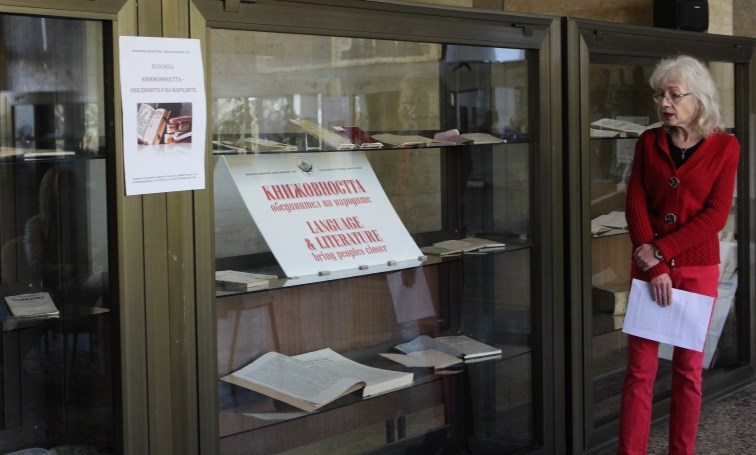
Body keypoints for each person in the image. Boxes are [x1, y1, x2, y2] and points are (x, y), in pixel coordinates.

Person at [617, 55, 740, 455]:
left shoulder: (726, 147)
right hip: (648, 267)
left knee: (688, 372)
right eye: (660, 95)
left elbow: (715, 215)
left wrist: (662, 250)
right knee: (639, 372)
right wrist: (654, 264)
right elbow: (635, 202)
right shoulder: (648, 141)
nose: (664, 103)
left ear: (698, 98)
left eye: (674, 94)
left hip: (697, 269)